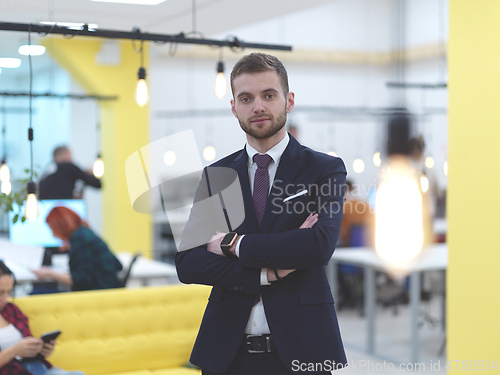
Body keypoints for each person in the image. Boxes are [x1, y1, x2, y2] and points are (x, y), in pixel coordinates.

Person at [176, 53, 347, 374]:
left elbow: (319, 245)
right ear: (234, 107)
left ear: (288, 100)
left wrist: (233, 245)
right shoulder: (216, 174)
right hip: (227, 350)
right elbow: (188, 263)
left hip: (303, 347)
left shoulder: (324, 169)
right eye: (246, 98)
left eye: (269, 95)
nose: (258, 106)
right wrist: (265, 273)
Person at [0, 261, 85, 375]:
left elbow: (26, 344)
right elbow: (16, 351)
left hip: (38, 368)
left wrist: (40, 350)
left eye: (9, 292)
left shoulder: (11, 310)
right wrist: (13, 351)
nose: (6, 298)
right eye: (0, 293)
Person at [33, 207, 123, 292]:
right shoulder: (86, 233)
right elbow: (118, 265)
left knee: (38, 291)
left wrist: (49, 273)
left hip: (97, 293)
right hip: (109, 288)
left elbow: (81, 280)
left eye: (53, 229)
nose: (53, 235)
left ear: (61, 226)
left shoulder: (79, 240)